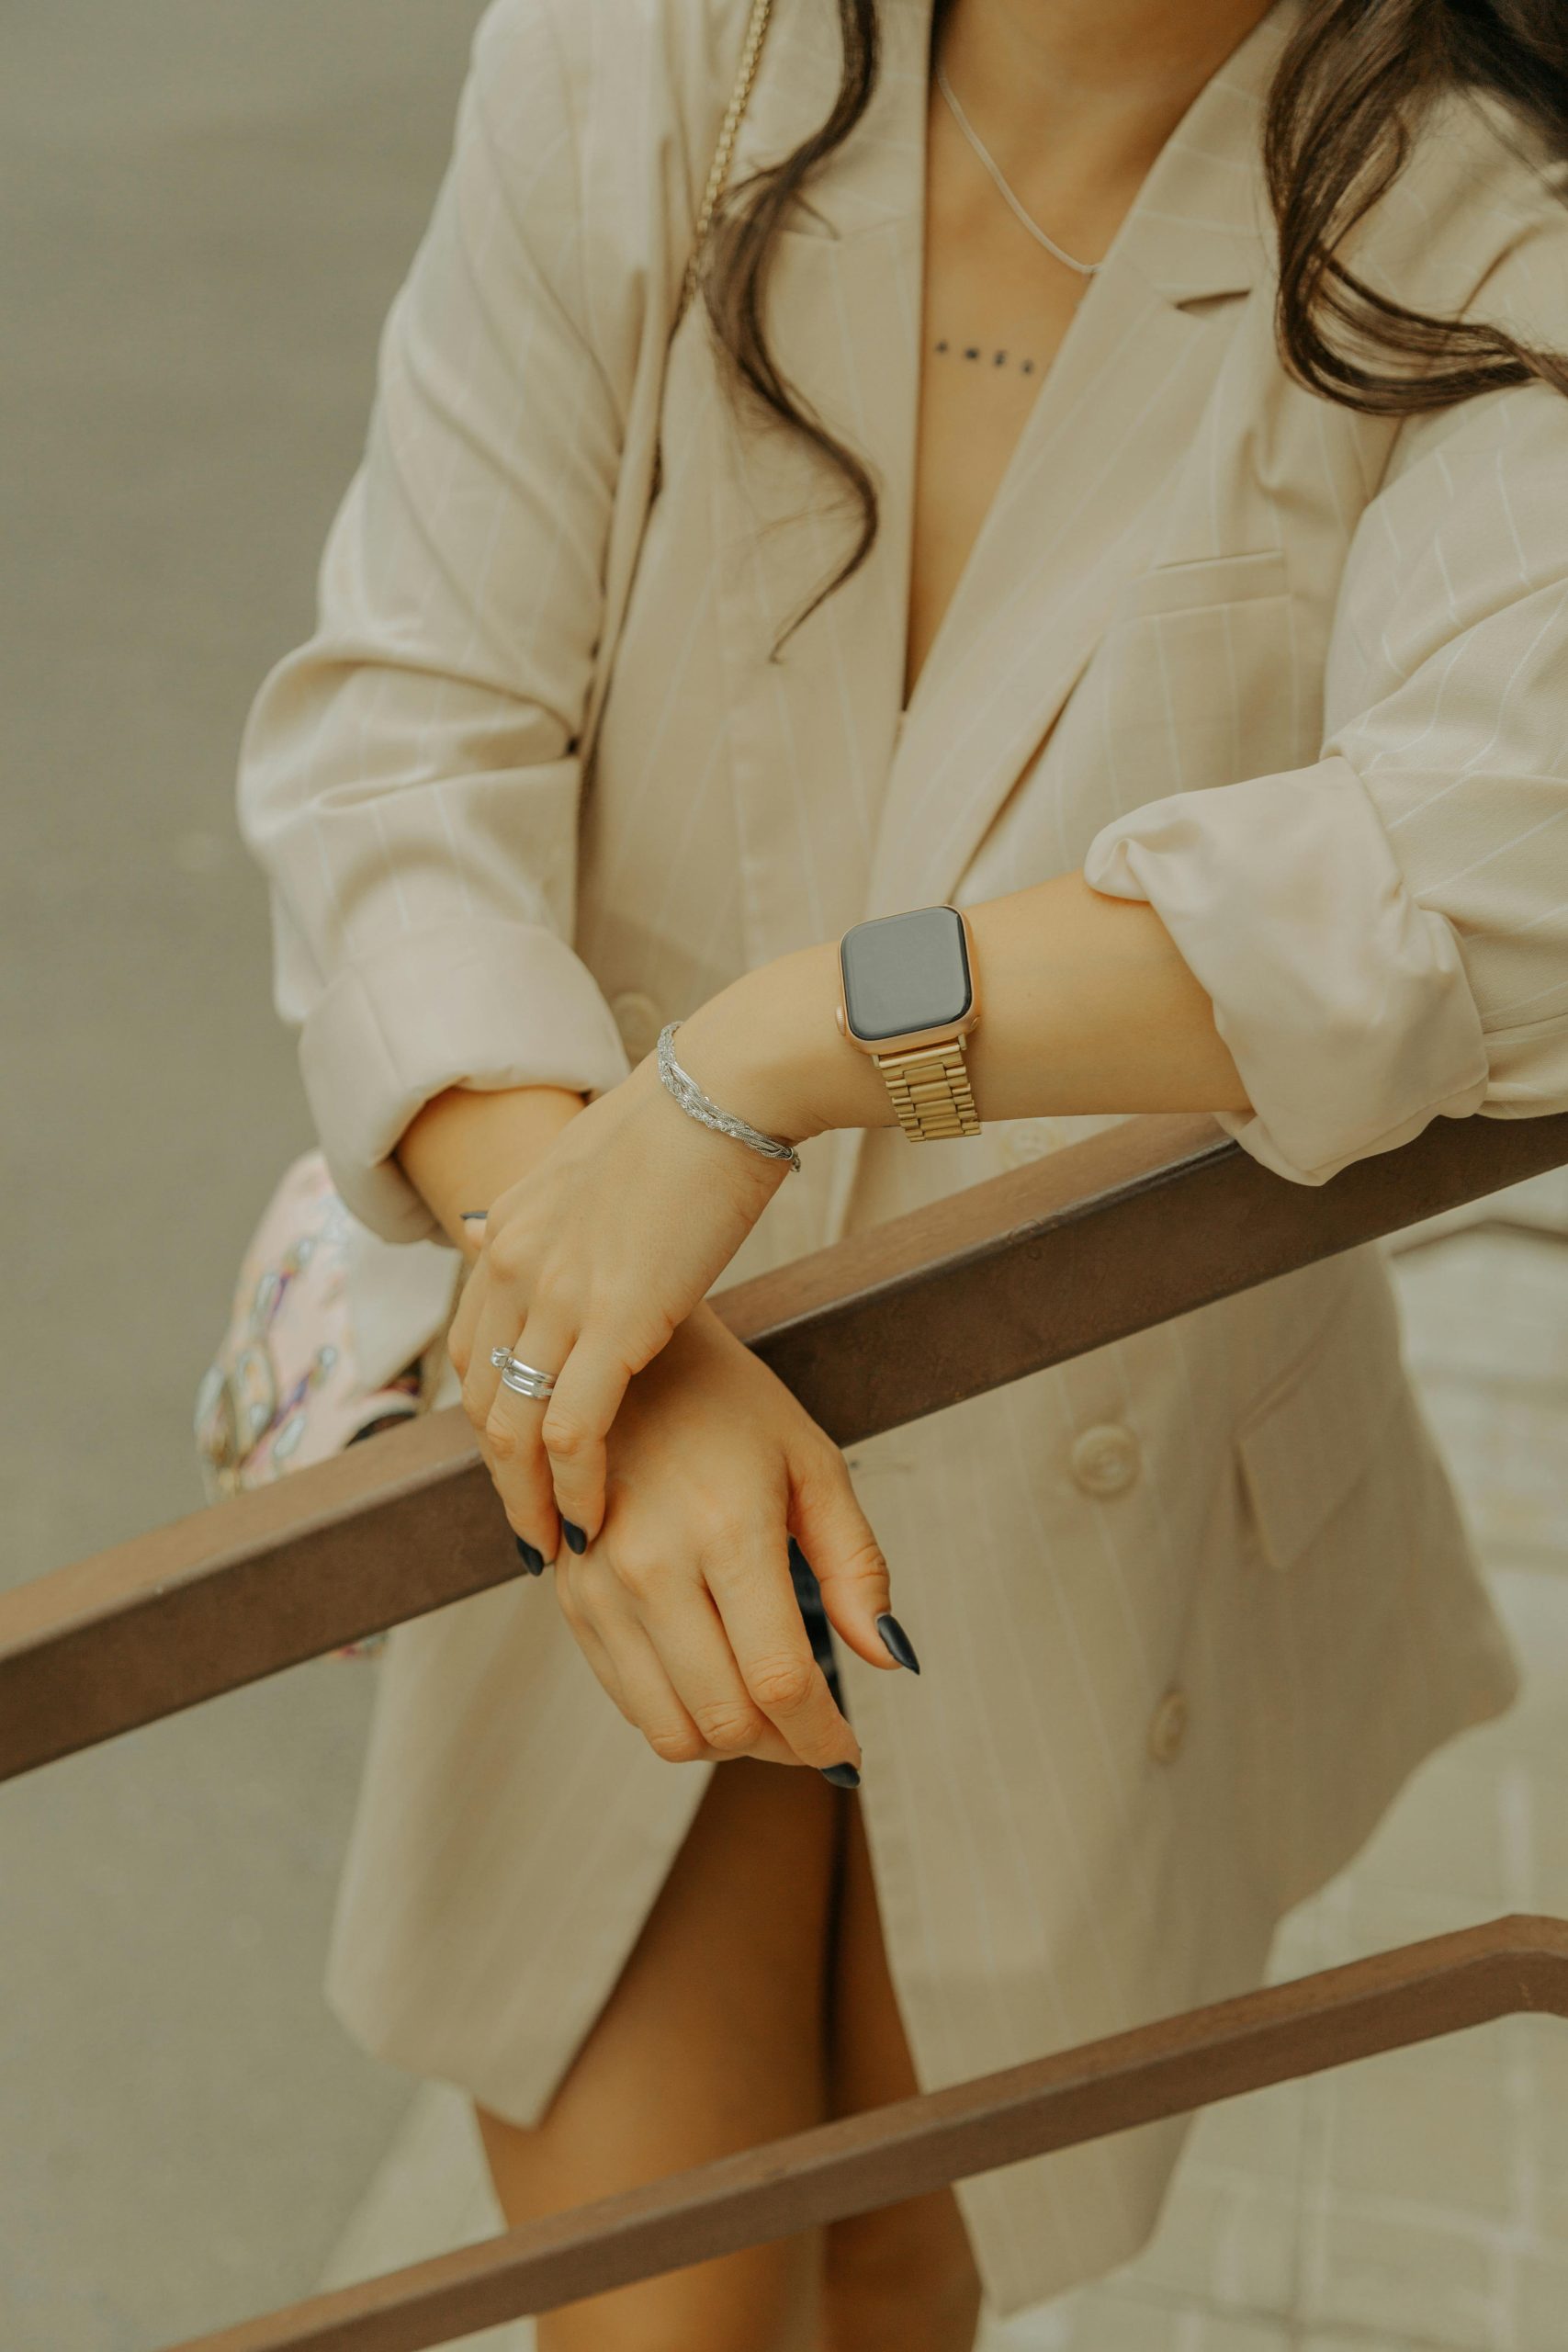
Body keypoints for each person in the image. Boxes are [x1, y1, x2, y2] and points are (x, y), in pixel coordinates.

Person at [235, 0, 1568, 2342]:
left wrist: (769, 1060)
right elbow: (403, 746)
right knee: (672, 2305)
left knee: (892, 2284)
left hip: (1096, 1473)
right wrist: (596, 1310)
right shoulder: (647, 57)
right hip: (618, 1426)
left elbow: (1497, 862)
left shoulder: (1472, 194)